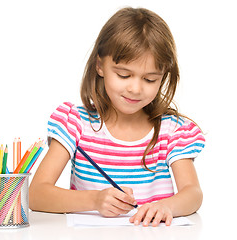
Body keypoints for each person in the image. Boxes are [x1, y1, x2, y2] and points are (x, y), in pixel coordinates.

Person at [29, 7, 205, 227]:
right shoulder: (75, 123)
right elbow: (36, 195)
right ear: (100, 65)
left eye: (150, 79)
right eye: (124, 75)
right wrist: (94, 200)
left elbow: (193, 193)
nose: (135, 88)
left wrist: (168, 205)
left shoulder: (172, 131)